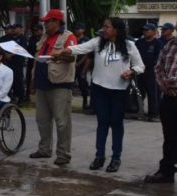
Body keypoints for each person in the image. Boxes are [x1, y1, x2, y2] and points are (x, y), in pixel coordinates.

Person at [54, 17, 145, 173]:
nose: (103, 29)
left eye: (107, 27)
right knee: (102, 123)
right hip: (100, 89)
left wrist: (131, 72)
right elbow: (80, 48)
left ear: (116, 30)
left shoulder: (129, 45)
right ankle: (99, 156)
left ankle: (116, 158)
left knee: (116, 123)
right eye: (103, 26)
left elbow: (140, 66)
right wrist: (65, 50)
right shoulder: (98, 42)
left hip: (119, 91)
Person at [28, 9, 77, 166]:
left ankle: (63, 153)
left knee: (62, 121)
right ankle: (44, 149)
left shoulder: (68, 36)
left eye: (47, 22)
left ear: (56, 22)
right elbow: (37, 59)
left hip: (60, 84)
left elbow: (72, 56)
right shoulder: (44, 37)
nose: (45, 25)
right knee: (42, 120)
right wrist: (33, 81)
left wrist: (59, 54)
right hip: (43, 83)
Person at [145, 35, 177, 183]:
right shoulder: (169, 45)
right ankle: (166, 172)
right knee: (169, 137)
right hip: (169, 97)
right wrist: (166, 87)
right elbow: (158, 68)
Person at [135, 23, 164, 121]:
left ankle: (153, 114)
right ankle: (139, 112)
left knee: (153, 94)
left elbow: (159, 58)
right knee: (139, 93)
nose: (145, 31)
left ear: (154, 31)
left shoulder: (158, 43)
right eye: (144, 30)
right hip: (139, 71)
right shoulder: (139, 42)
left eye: (147, 30)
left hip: (151, 72)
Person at [0, 23, 28, 105]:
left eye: (15, 28)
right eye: (13, 28)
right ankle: (7, 97)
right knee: (7, 80)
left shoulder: (23, 38)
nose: (13, 30)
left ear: (20, 29)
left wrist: (10, 55)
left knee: (18, 80)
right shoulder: (7, 38)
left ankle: (20, 98)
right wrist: (5, 55)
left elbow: (22, 48)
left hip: (18, 62)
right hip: (7, 62)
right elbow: (0, 47)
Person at [73, 23, 91, 111]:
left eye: (78, 29)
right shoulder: (73, 38)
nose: (76, 30)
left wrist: (79, 64)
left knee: (82, 84)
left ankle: (85, 101)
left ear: (83, 30)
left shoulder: (86, 40)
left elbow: (87, 54)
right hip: (72, 65)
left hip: (82, 65)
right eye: (76, 29)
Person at [25, 24, 44, 103]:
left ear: (41, 30)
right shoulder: (32, 38)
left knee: (40, 78)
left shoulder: (44, 38)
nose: (35, 32)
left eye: (37, 30)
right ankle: (27, 95)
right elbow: (29, 49)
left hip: (40, 61)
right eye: (34, 31)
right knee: (29, 77)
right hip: (31, 60)